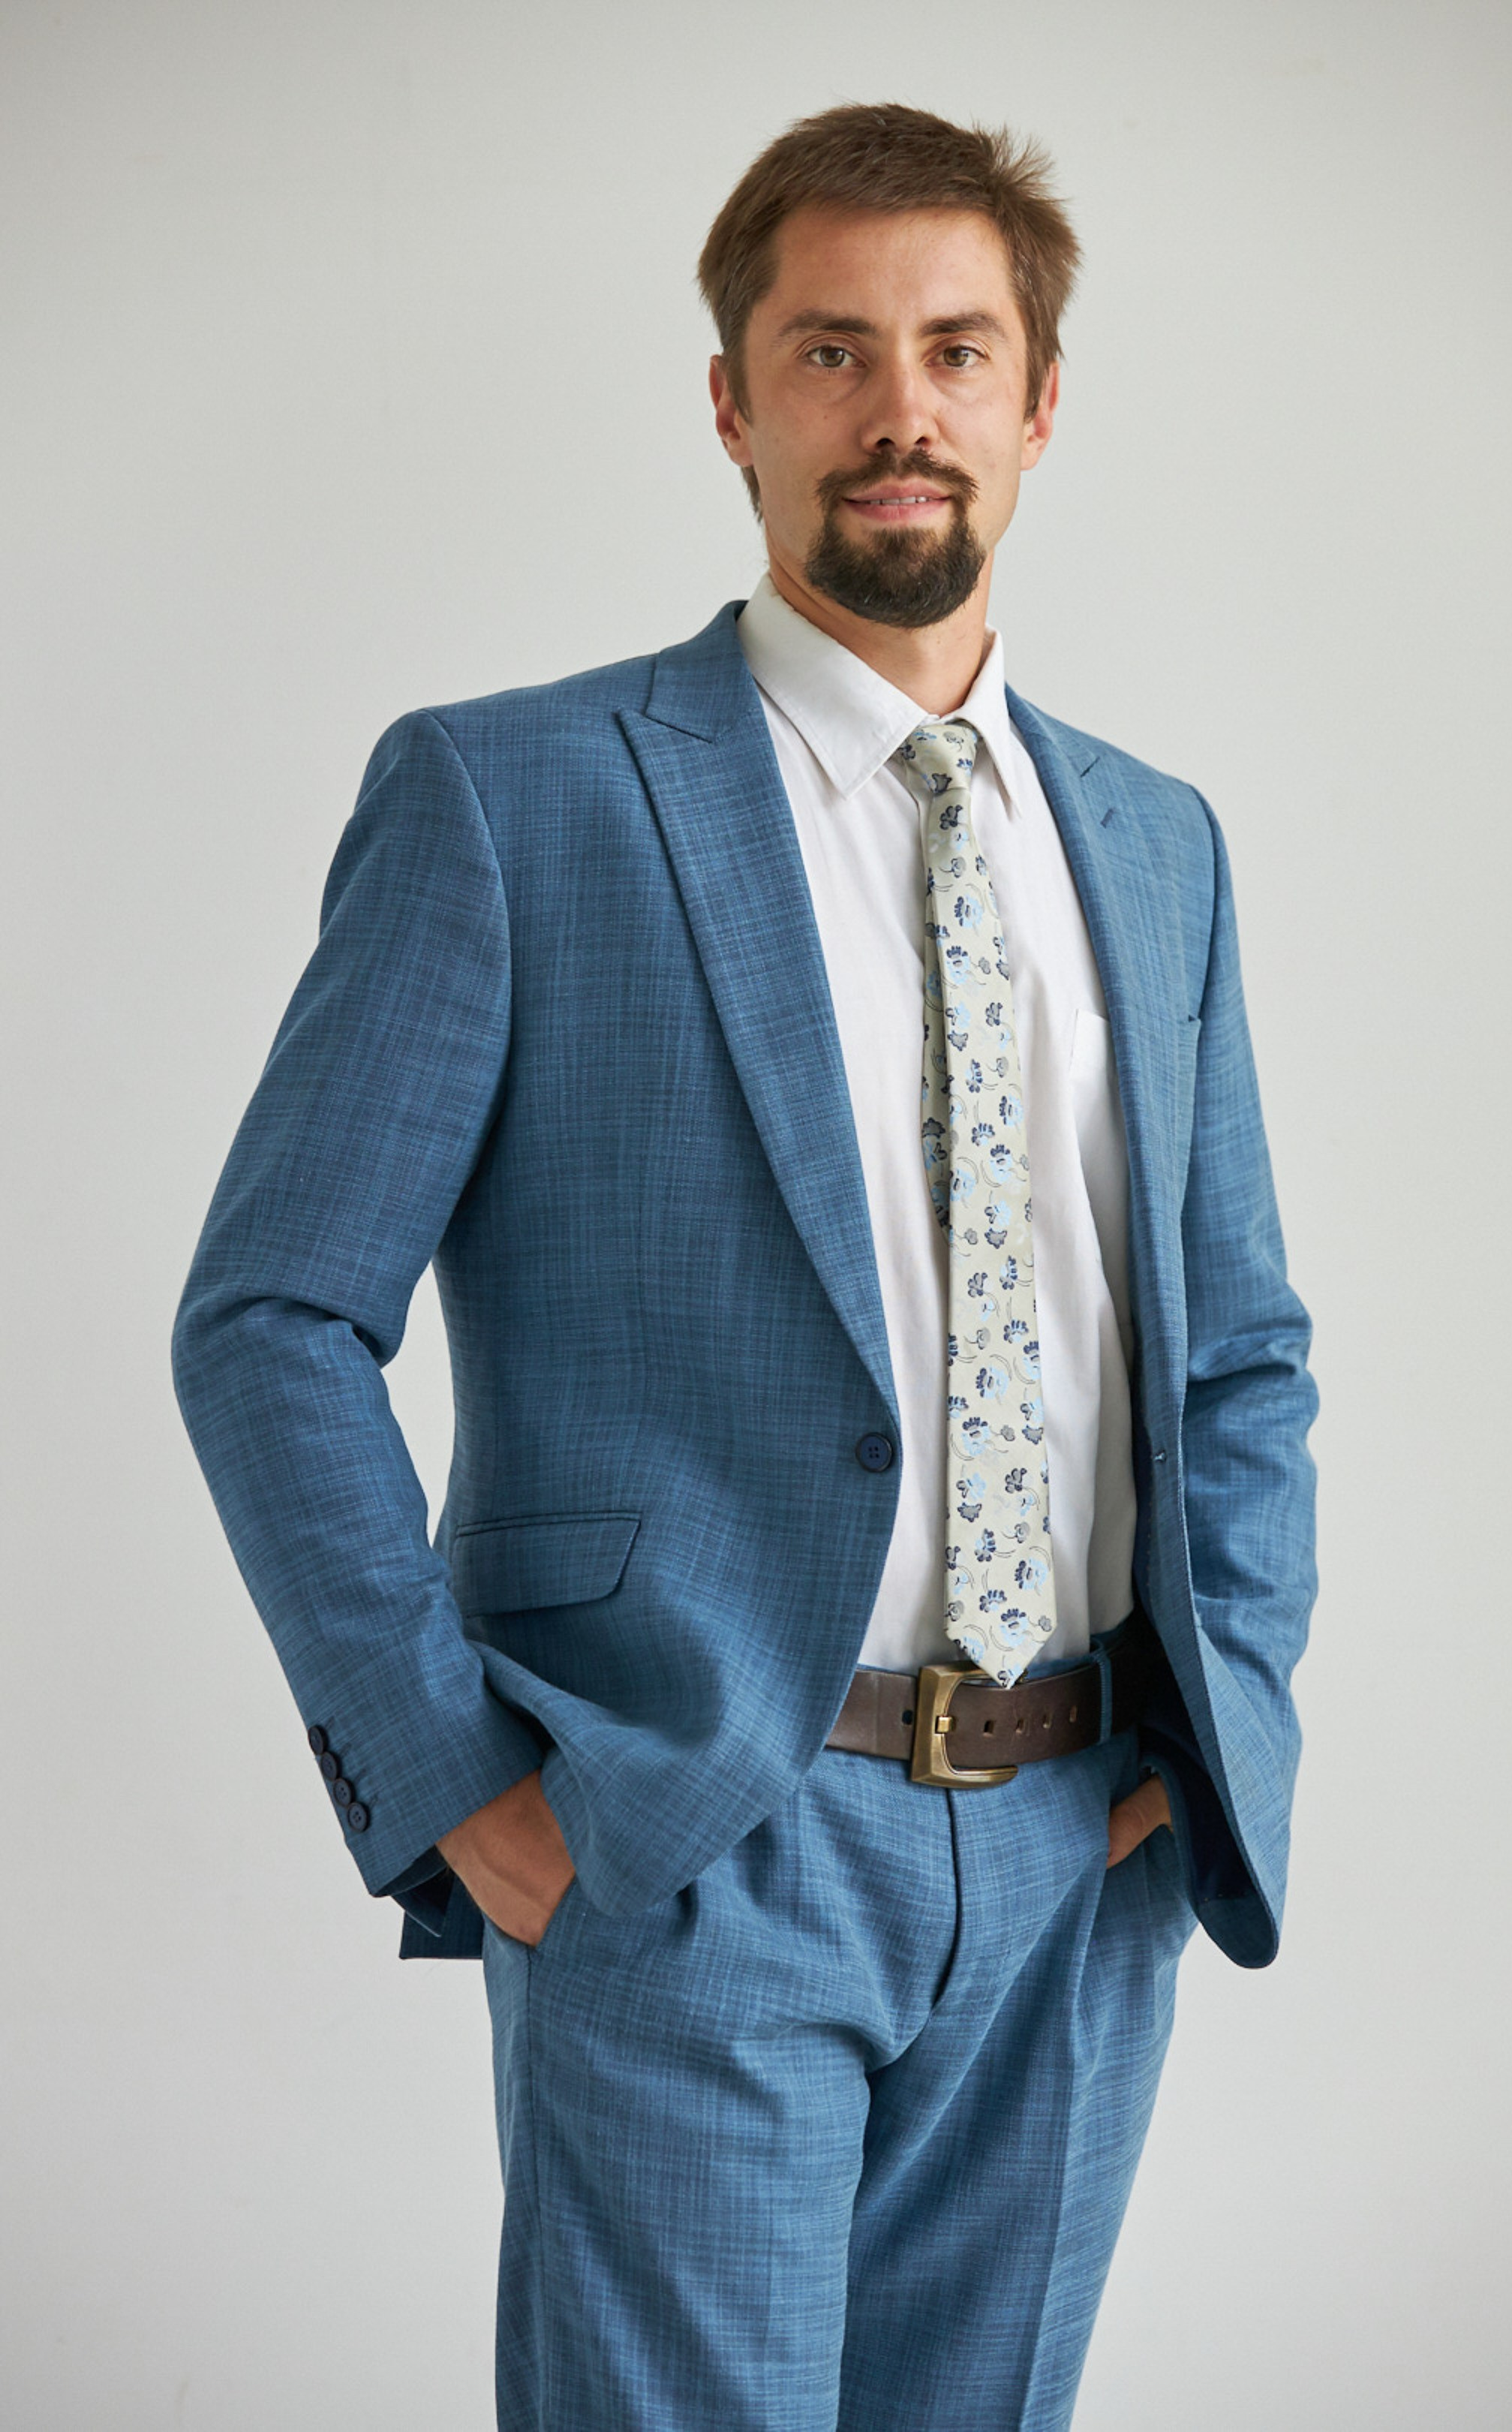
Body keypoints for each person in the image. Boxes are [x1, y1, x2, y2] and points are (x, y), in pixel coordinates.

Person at [173, 100, 1317, 2432]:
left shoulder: (1155, 847)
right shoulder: (518, 802)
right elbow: (272, 1315)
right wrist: (453, 1775)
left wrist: (1218, 1739)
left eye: (958, 352)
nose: (901, 412)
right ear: (734, 400)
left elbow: (1244, 1358)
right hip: (699, 1842)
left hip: (1076, 1843)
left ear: (1038, 401)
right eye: (831, 352)